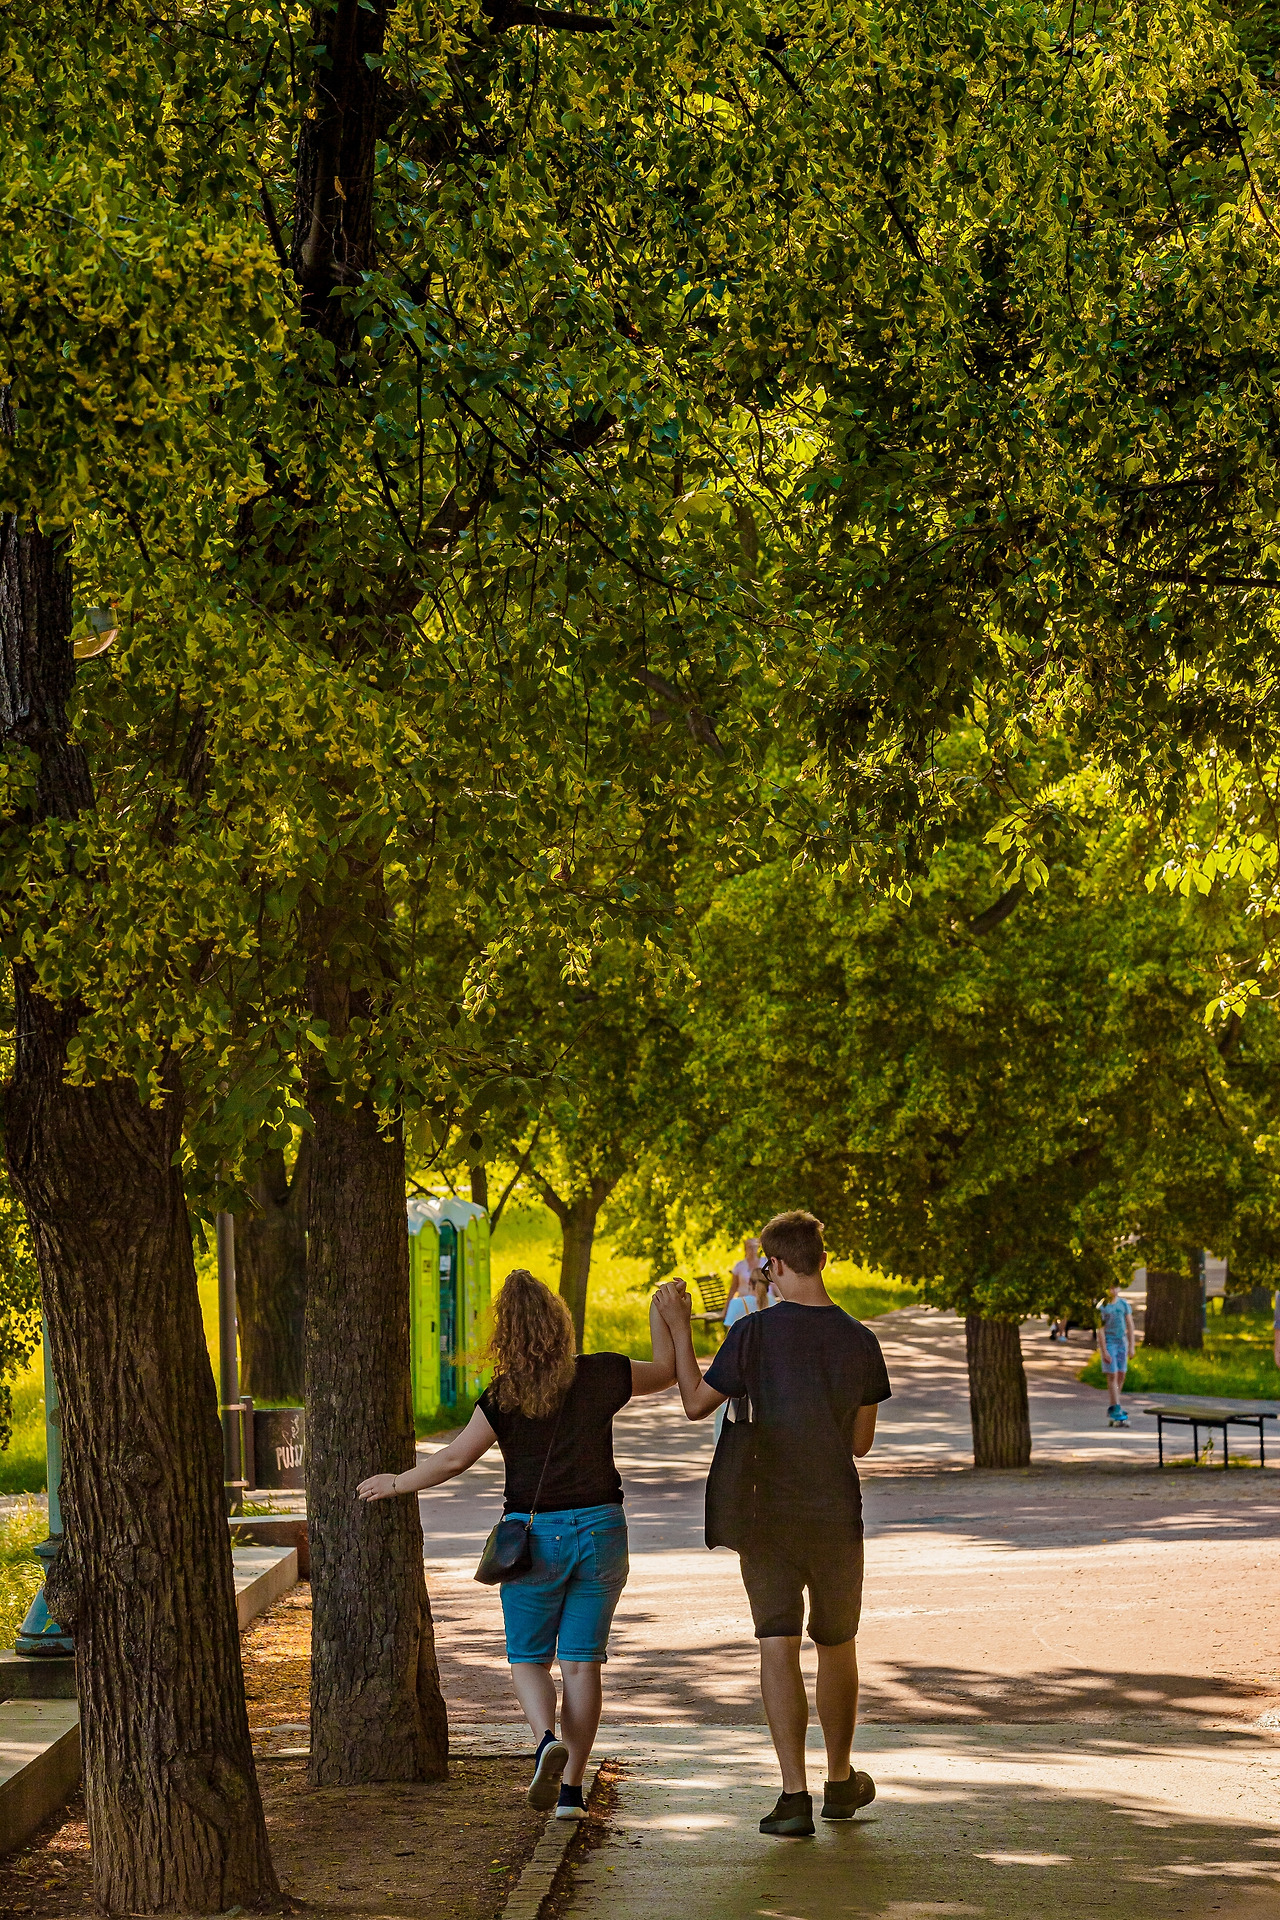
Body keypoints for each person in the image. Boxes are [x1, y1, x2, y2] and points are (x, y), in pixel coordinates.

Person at [357, 1269, 676, 1818]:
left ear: (504, 1335)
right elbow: (668, 1372)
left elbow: (454, 1458)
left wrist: (397, 1482)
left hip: (535, 1541)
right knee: (582, 1665)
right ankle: (571, 1793)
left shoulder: (502, 1396)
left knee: (529, 1658)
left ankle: (545, 1741)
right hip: (603, 1530)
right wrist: (660, 1312)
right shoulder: (603, 1372)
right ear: (560, 1322)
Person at [654, 1209, 891, 1839]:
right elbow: (860, 1443)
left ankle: (793, 1798)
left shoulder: (752, 1334)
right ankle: (839, 1781)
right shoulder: (861, 1340)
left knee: (777, 1643)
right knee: (837, 1643)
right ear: (822, 1260)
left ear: (776, 1265)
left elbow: (695, 1403)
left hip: (765, 1512)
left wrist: (679, 1327)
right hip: (834, 1513)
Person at [1097, 1282, 1136, 1426]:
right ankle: (1117, 1407)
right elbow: (1100, 1330)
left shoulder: (1124, 1305)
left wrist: (1131, 1346)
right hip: (1109, 1343)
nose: (1112, 1290)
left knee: (1121, 1374)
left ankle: (1114, 1405)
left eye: (1115, 1287)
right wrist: (1104, 1350)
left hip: (1121, 1343)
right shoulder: (1102, 1307)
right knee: (1112, 1374)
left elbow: (1130, 1325)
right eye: (1110, 1287)